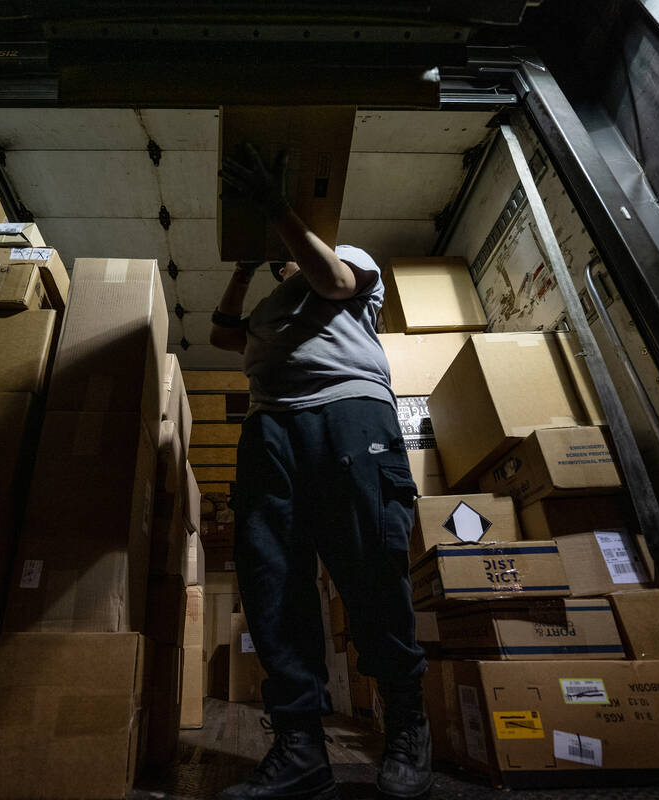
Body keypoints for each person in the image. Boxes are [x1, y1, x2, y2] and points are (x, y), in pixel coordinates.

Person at [211, 145, 431, 800]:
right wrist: (246, 267)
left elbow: (333, 281)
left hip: (348, 419)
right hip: (270, 432)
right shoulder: (270, 310)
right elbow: (226, 334)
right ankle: (300, 747)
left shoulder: (349, 261)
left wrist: (277, 207)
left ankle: (408, 727)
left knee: (369, 570)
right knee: (272, 581)